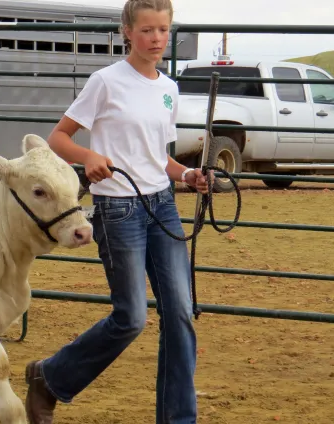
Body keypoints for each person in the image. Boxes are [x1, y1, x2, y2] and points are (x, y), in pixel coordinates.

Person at [23, 1, 213, 423]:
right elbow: (58, 138)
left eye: (163, 29)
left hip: (162, 206)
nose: (156, 39)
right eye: (147, 30)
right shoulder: (105, 81)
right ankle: (49, 378)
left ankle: (178, 418)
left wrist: (188, 176)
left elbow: (158, 158)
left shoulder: (169, 89)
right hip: (117, 208)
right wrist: (88, 156)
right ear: (127, 30)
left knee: (180, 312)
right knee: (130, 318)